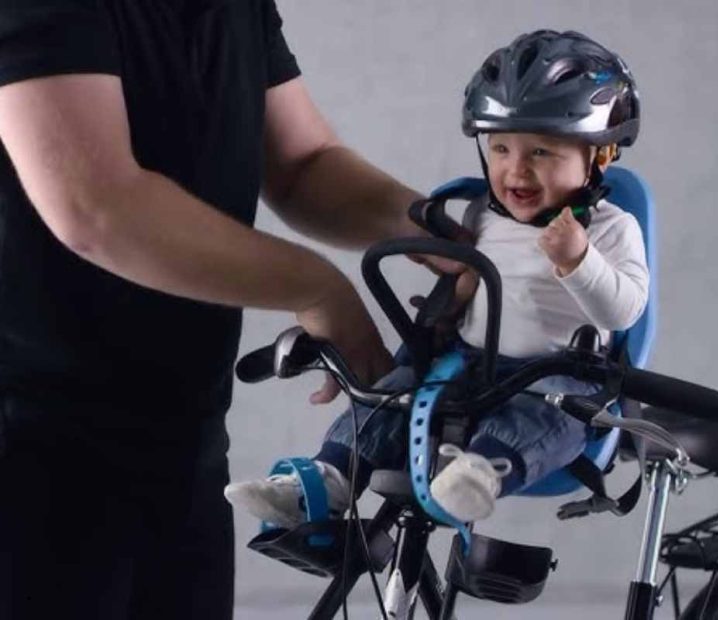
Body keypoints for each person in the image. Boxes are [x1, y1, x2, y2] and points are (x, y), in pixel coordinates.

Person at [0, 1, 438, 618]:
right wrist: (316, 287)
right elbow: (96, 205)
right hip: (32, 458)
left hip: (184, 451)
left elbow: (302, 163)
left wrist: (438, 228)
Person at [225, 29, 649, 527]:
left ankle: (480, 475)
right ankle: (326, 479)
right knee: (395, 392)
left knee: (553, 415)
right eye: (501, 148)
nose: (516, 171)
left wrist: (581, 261)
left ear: (599, 156)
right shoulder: (479, 217)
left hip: (553, 372)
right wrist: (448, 305)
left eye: (541, 153)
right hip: (470, 359)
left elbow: (624, 312)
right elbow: (468, 285)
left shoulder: (609, 230)